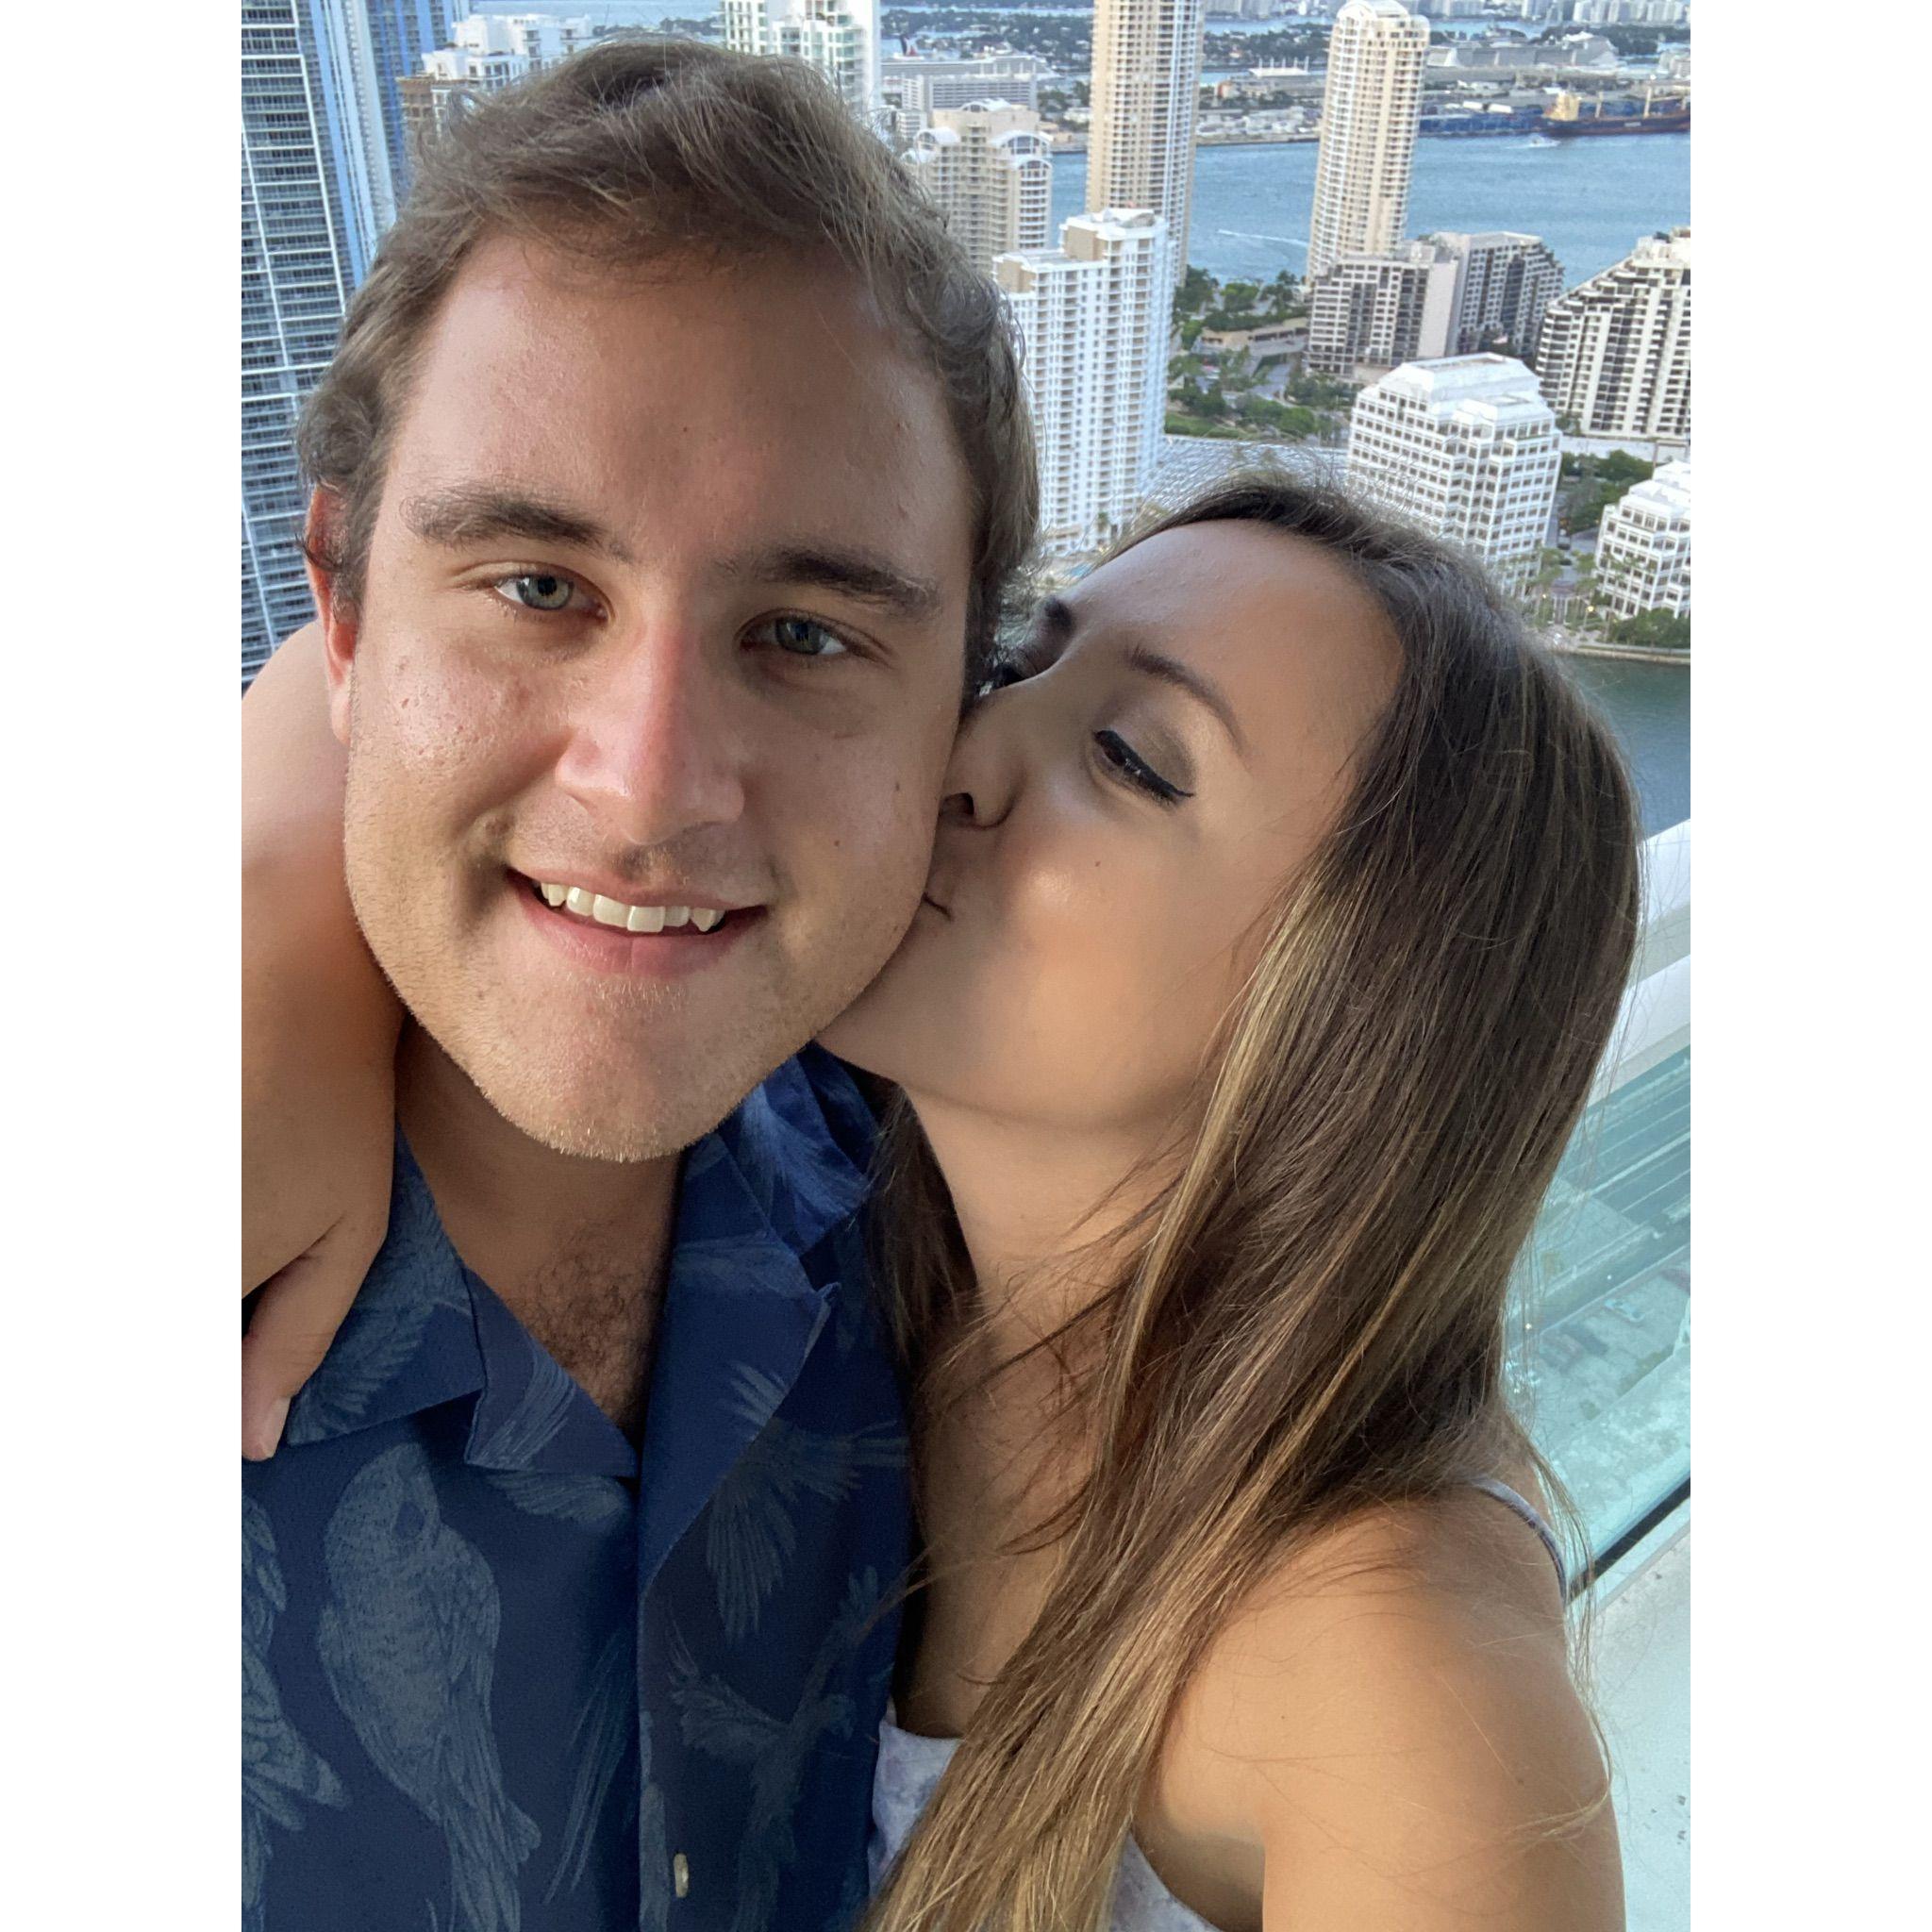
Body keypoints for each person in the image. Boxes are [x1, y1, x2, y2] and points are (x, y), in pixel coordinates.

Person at [250, 466, 1639, 1924]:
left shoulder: (1382, 1670)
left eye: (1131, 759)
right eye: (1019, 664)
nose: (963, 753)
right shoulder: (840, 1179)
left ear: (1361, 1013)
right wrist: (275, 925)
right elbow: (366, 630)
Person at [242, 39, 1036, 1932]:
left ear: (958, 712)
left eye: (804, 632)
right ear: (343, 616)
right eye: (535, 587)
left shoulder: (966, 1200)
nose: (652, 784)